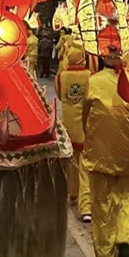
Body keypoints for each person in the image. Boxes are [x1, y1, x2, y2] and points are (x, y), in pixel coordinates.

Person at [82, 27, 129, 257]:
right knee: (128, 199)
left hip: (100, 154)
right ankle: (124, 240)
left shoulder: (94, 82)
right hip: (128, 155)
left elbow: (86, 117)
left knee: (103, 206)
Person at [55, 45, 93, 223]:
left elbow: (59, 95)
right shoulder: (89, 76)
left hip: (67, 125)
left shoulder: (61, 76)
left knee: (70, 162)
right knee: (85, 165)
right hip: (85, 126)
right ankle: (85, 207)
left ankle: (72, 192)